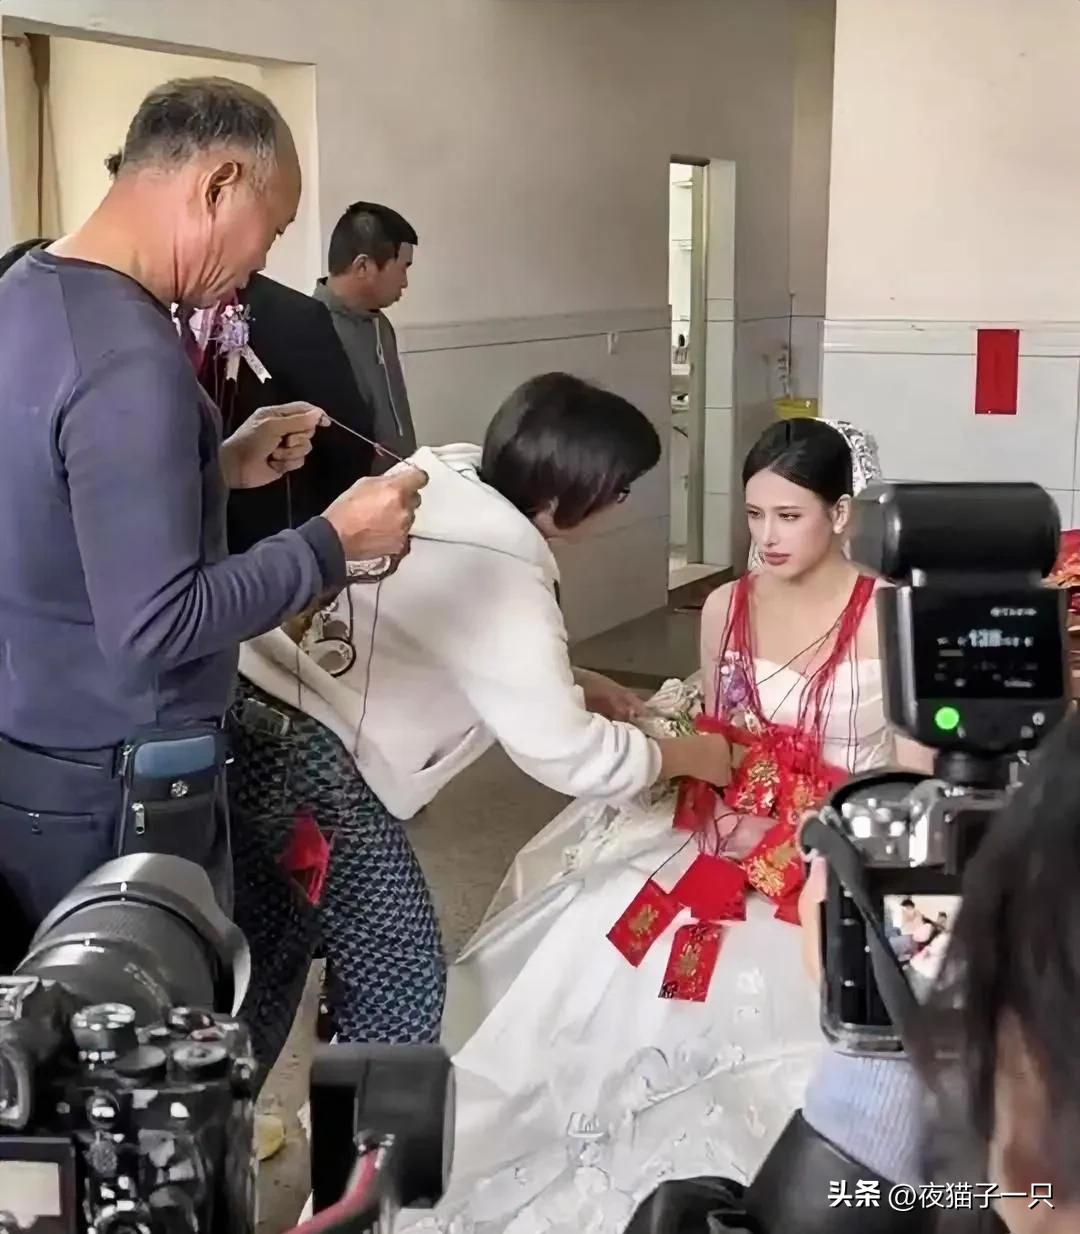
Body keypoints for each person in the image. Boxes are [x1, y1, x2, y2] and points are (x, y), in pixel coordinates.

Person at [398, 418, 918, 1232]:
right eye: (755, 515)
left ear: (841, 513)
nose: (768, 537)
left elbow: (914, 777)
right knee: (600, 949)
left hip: (835, 851)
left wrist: (830, 835)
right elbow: (719, 731)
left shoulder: (892, 612)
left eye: (790, 516)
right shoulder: (725, 606)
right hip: (721, 829)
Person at [0, 77, 425, 937]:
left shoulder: (25, 292)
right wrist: (332, 541)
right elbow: (158, 624)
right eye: (273, 227)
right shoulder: (130, 360)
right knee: (148, 1017)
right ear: (219, 185)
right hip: (119, 784)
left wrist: (215, 467)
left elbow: (54, 497)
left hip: (34, 747)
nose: (263, 258)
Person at [232, 372, 734, 1071]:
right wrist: (684, 757)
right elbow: (567, 753)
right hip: (315, 759)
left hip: (249, 711)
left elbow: (440, 639)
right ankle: (373, 1139)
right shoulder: (506, 567)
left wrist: (573, 683)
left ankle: (207, 1117)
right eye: (620, 492)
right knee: (400, 977)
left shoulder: (439, 479)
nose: (619, 507)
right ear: (570, 492)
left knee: (268, 948)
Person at [313, 201, 418, 470]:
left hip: (400, 481)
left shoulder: (381, 325)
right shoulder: (311, 328)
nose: (405, 282)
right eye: (403, 267)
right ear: (363, 267)